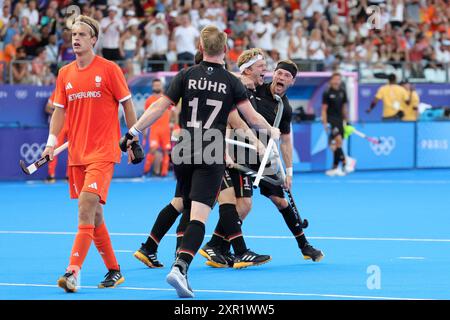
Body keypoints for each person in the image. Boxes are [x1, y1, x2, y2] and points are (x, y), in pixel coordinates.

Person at [120, 25, 279, 298]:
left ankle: (153, 247)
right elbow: (250, 118)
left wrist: (133, 131)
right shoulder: (232, 82)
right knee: (199, 216)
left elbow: (159, 106)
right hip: (211, 149)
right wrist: (271, 132)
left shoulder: (186, 74)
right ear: (226, 50)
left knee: (183, 201)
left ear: (201, 48)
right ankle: (180, 267)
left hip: (184, 146)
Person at [41, 15, 143, 293]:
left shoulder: (109, 69)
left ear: (94, 40)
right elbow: (59, 112)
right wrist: (51, 143)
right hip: (77, 154)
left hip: (103, 152)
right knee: (95, 215)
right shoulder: (65, 73)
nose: (76, 38)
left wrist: (132, 140)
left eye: (82, 34)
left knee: (86, 206)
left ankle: (72, 272)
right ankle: (114, 270)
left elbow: (127, 104)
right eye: (73, 34)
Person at [205, 53, 324, 264]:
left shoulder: (284, 107)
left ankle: (304, 245)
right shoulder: (255, 86)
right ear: (273, 74)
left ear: (292, 81)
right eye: (278, 72)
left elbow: (286, 141)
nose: (281, 77)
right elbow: (236, 78)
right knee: (243, 204)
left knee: (281, 200)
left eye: (287, 75)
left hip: (263, 155)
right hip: (241, 151)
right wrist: (242, 76)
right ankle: (217, 246)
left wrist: (288, 172)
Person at [322, 73, 353, 176]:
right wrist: (325, 123)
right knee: (338, 141)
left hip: (340, 121)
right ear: (331, 80)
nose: (336, 81)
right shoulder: (327, 92)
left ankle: (335, 167)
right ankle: (345, 163)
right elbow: (324, 110)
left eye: (338, 79)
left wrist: (347, 121)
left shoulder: (342, 92)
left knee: (337, 145)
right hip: (331, 120)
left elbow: (344, 108)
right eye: (335, 79)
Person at [143, 78, 174, 176]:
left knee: (166, 150)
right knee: (152, 149)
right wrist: (144, 130)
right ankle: (146, 171)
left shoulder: (166, 99)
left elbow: (173, 111)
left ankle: (164, 173)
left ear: (161, 86)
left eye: (158, 85)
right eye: (155, 85)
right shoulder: (149, 100)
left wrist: (172, 123)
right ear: (152, 87)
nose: (157, 86)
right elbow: (146, 115)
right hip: (154, 129)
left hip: (165, 129)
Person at [45, 90, 68, 183]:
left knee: (75, 150)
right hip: (61, 125)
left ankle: (70, 176)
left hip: (74, 124)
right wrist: (58, 114)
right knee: (53, 149)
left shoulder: (79, 90)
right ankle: (51, 175)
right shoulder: (58, 91)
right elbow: (47, 107)